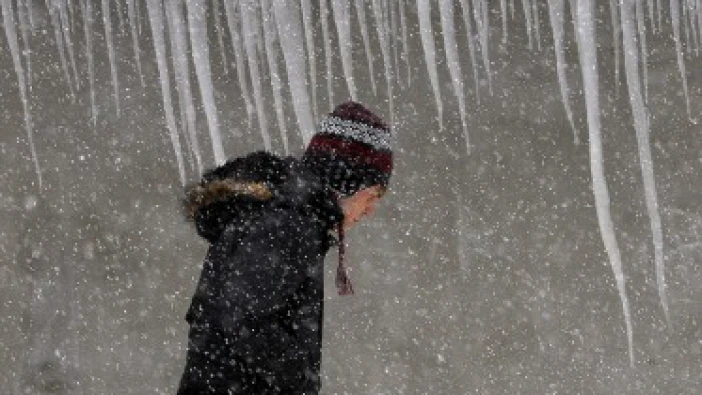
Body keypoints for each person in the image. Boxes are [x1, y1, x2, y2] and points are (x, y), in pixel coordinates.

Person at [176, 101, 393, 394]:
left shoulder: (289, 218)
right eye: (373, 194)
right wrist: (299, 382)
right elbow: (244, 317)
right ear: (347, 182)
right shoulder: (288, 224)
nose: (371, 209)